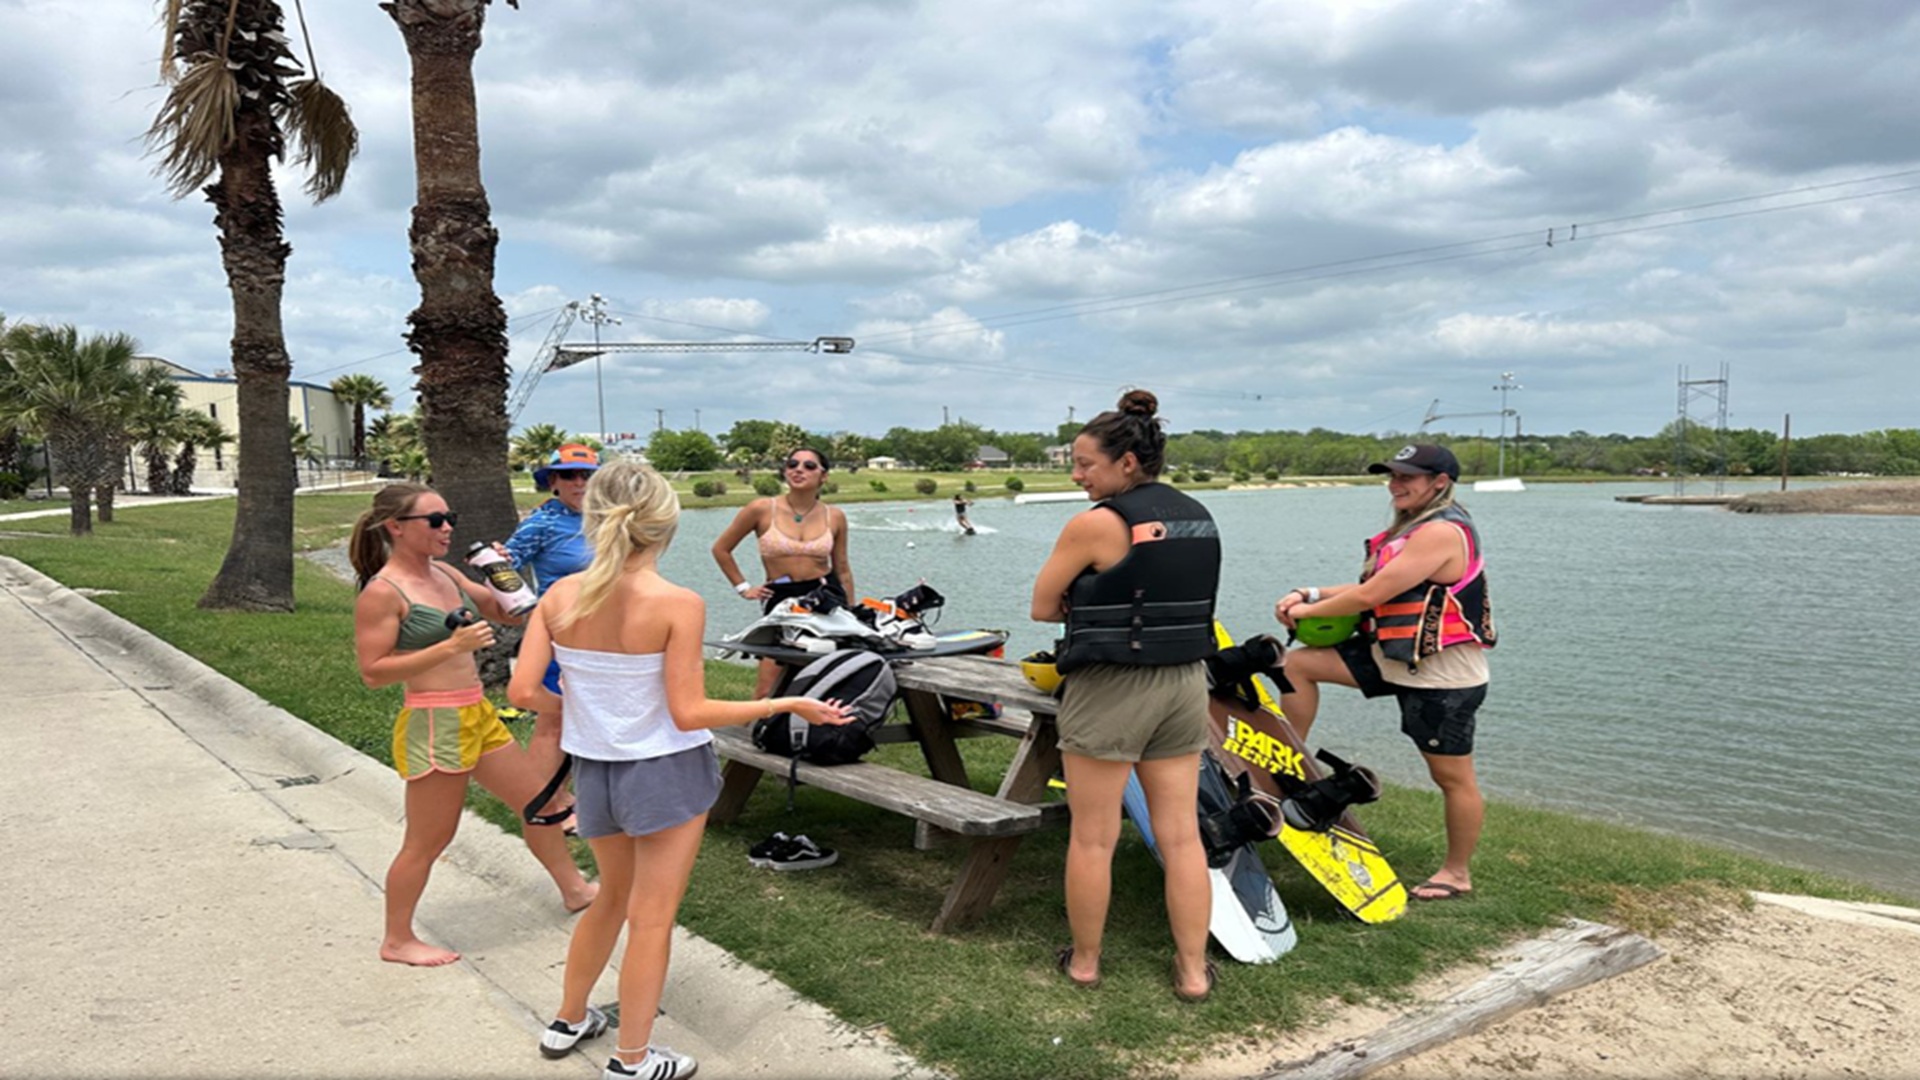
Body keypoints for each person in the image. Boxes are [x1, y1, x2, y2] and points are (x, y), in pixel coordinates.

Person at [510, 458, 851, 1080]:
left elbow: (522, 691)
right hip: (663, 770)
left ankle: (567, 1019)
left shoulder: (560, 595)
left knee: (611, 897)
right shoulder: (677, 602)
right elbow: (690, 711)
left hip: (595, 772)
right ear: (665, 525)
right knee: (653, 916)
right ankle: (632, 1059)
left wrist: (587, 708)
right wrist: (788, 700)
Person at [349, 483, 597, 968]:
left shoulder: (444, 572)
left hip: (476, 713)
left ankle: (574, 888)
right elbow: (372, 672)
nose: (448, 529)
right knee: (428, 840)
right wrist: (449, 648)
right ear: (395, 527)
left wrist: (500, 571)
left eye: (450, 518)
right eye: (435, 520)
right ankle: (397, 939)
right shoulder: (384, 592)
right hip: (434, 721)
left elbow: (513, 612)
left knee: (540, 805)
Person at [1029, 389, 1221, 1003]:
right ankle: (1192, 971)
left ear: (1127, 464)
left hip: (1112, 682)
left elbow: (1040, 607)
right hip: (1186, 682)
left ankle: (1085, 962)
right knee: (1182, 834)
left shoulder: (1096, 524)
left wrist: (1085, 597)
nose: (1077, 474)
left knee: (1093, 835)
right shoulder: (1201, 516)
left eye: (1085, 464)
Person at [1272, 443, 1495, 903]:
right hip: (1392, 659)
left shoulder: (1442, 532)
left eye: (1407, 477)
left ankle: (1457, 873)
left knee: (1453, 779)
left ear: (1440, 483)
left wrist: (1305, 612)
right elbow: (1368, 588)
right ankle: (1288, 761)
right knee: (1297, 664)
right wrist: (1307, 591)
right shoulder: (1414, 528)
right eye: (1392, 476)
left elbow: (1370, 595)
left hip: (1441, 678)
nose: (1395, 484)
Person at [500, 443, 601, 825]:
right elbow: (501, 569)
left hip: (602, 636)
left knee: (581, 716)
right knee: (553, 718)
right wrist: (534, 614)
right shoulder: (542, 522)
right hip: (560, 634)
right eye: (570, 475)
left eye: (587, 475)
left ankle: (564, 792)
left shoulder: (607, 518)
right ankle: (544, 803)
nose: (579, 483)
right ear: (553, 481)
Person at [710, 446, 855, 697]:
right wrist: (744, 588)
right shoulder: (762, 509)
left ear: (824, 476)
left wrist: (852, 613)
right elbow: (721, 549)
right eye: (792, 464)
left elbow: (842, 568)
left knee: (825, 679)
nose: (799, 470)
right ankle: (756, 730)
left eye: (809, 466)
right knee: (768, 686)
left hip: (825, 594)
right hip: (781, 598)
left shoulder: (836, 516)